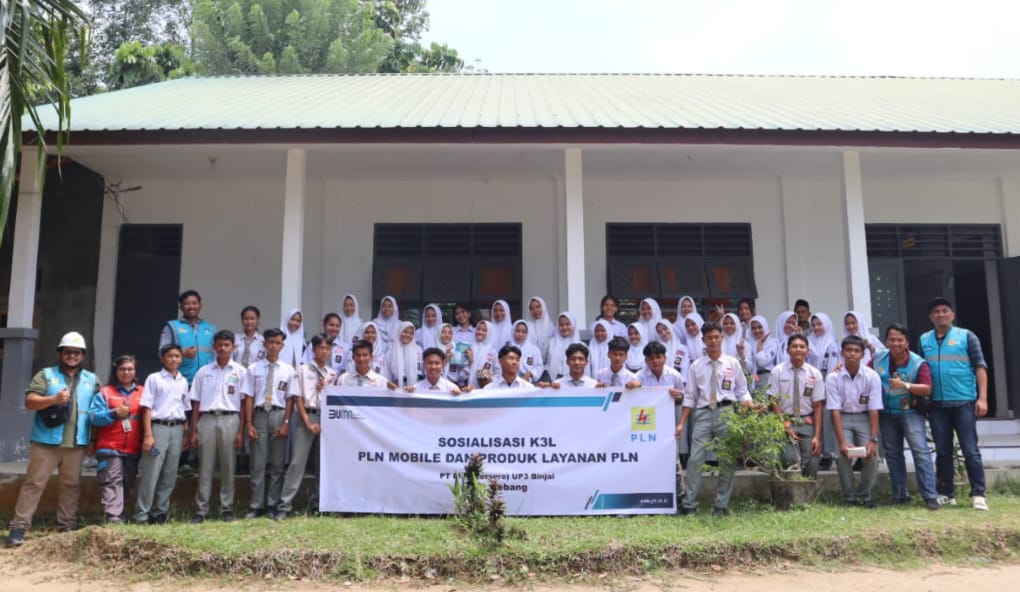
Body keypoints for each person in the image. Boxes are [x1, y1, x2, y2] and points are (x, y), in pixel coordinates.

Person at [6, 332, 99, 547]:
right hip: (45, 442)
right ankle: (18, 528)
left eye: (76, 352)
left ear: (83, 355)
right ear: (60, 353)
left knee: (71, 485)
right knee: (34, 484)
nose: (72, 356)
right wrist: (53, 399)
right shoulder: (46, 375)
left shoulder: (91, 379)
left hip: (76, 443)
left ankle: (67, 528)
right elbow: (30, 402)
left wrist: (93, 439)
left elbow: (96, 411)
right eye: (67, 352)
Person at [676, 322, 753, 517]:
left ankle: (720, 505)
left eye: (716, 337)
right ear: (703, 340)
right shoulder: (696, 366)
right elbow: (690, 395)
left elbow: (742, 390)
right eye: (709, 337)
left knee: (726, 461)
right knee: (695, 460)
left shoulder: (732, 363)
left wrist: (749, 406)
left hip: (726, 412)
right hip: (702, 413)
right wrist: (681, 422)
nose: (713, 341)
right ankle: (689, 504)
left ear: (722, 338)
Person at [920, 296, 989, 511]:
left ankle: (978, 493)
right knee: (942, 450)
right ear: (931, 317)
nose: (941, 314)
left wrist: (983, 397)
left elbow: (980, 367)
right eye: (936, 312)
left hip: (963, 401)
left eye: (945, 311)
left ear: (952, 314)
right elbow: (922, 371)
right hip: (938, 404)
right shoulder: (924, 340)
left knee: (970, 449)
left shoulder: (966, 337)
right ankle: (946, 492)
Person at [873, 323, 939, 511]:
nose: (895, 343)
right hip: (886, 413)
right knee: (893, 455)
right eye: (892, 339)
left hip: (910, 413)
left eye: (899, 340)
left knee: (920, 452)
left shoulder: (918, 362)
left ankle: (930, 496)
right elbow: (866, 374)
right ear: (886, 341)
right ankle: (899, 494)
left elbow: (927, 388)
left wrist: (906, 385)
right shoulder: (878, 358)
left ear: (907, 342)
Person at [277, 334, 337, 520]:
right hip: (307, 417)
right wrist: (307, 422)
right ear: (313, 350)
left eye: (327, 348)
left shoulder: (332, 374)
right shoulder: (303, 370)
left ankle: (319, 503)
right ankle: (284, 505)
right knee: (297, 463)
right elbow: (297, 398)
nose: (324, 351)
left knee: (322, 464)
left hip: (326, 419)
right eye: (321, 348)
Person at [188, 330, 245, 523]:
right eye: (219, 345)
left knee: (228, 465)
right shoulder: (204, 372)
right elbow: (196, 402)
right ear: (214, 347)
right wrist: (194, 429)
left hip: (231, 419)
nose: (223, 348)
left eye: (227, 345)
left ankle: (226, 507)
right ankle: (201, 509)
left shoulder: (240, 372)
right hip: (207, 419)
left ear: (233, 347)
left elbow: (245, 403)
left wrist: (241, 431)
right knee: (205, 465)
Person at [132, 344, 189, 525]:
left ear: (181, 359)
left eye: (177, 356)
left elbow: (184, 407)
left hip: (177, 430)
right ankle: (142, 514)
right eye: (170, 356)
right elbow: (147, 408)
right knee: (152, 472)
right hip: (158, 430)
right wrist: (148, 434)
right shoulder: (154, 379)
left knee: (170, 473)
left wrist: (186, 433)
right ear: (162, 359)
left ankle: (160, 512)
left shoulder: (183, 380)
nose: (173, 359)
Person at [241, 328, 294, 519]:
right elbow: (248, 397)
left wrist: (287, 421)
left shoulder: (288, 370)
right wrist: (249, 423)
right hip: (260, 416)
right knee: (258, 462)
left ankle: (273, 503)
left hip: (279, 416)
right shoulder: (253, 369)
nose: (273, 346)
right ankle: (256, 504)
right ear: (264, 343)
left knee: (278, 463)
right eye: (270, 342)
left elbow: (290, 399)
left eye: (277, 342)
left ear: (282, 345)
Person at [826, 335, 883, 508]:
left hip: (864, 417)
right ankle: (849, 496)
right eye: (848, 350)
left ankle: (865, 495)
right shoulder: (833, 377)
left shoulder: (871, 376)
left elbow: (874, 409)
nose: (852, 354)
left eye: (856, 351)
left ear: (863, 354)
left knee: (872, 455)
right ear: (842, 353)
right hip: (842, 417)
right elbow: (834, 410)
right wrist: (842, 441)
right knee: (842, 455)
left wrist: (873, 440)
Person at [88, 354, 144, 524]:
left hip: (133, 448)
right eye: (122, 369)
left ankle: (120, 515)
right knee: (112, 481)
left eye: (130, 369)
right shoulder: (105, 393)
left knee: (127, 482)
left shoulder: (143, 392)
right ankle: (113, 516)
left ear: (135, 371)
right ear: (116, 371)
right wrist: (114, 413)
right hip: (109, 446)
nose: (126, 372)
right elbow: (93, 418)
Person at [767, 334, 825, 479]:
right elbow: (774, 401)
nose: (798, 349)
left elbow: (818, 406)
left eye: (802, 347)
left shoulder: (815, 374)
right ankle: (791, 495)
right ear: (788, 350)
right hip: (785, 421)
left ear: (807, 350)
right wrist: (785, 425)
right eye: (794, 346)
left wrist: (817, 436)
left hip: (807, 421)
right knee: (790, 460)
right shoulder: (777, 371)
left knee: (812, 458)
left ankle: (808, 496)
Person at [159, 290, 216, 385]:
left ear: (200, 306)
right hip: (181, 380)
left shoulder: (210, 328)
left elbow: (216, 354)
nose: (191, 307)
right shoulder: (172, 326)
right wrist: (182, 353)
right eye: (187, 304)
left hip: (207, 381)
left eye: (194, 303)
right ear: (181, 307)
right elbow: (162, 352)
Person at [387, 321, 423, 389]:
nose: (408, 335)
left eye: (411, 333)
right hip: (396, 388)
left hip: (416, 388)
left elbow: (424, 370)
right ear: (399, 332)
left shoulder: (419, 350)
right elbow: (386, 375)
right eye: (405, 332)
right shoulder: (390, 352)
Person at [546, 312, 581, 381]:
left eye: (567, 324)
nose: (564, 327)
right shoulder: (551, 343)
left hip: (574, 380)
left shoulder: (580, 345)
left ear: (573, 325)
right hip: (554, 380)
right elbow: (547, 363)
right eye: (561, 325)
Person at [511, 320, 545, 384]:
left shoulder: (533, 349)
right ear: (513, 331)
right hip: (510, 381)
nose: (520, 334)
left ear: (527, 333)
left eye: (524, 332)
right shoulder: (508, 348)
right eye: (518, 331)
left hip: (527, 382)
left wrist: (530, 373)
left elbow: (539, 366)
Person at [468, 320, 498, 388]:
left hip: (487, 391)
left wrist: (490, 378)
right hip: (469, 390)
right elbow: (461, 376)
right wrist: (469, 363)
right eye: (478, 329)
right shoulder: (469, 348)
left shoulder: (493, 351)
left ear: (489, 333)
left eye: (484, 330)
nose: (480, 332)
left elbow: (498, 372)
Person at [750, 315, 777, 389]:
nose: (757, 330)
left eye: (760, 327)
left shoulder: (773, 343)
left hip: (767, 377)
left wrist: (759, 348)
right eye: (754, 328)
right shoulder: (749, 343)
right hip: (752, 379)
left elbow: (762, 363)